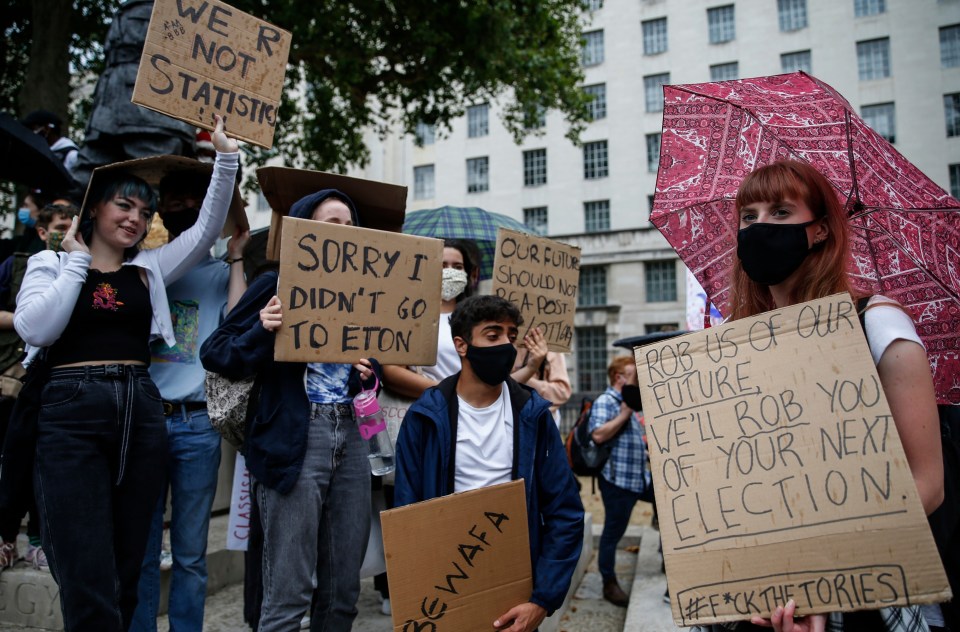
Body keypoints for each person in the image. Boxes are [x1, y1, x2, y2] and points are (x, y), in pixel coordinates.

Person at [693, 159, 943, 632]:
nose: (761, 226)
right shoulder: (736, 342)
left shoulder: (879, 323)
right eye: (749, 216)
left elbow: (926, 484)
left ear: (821, 230)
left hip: (861, 594)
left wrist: (817, 580)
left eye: (782, 213)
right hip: (755, 595)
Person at [13, 115, 237, 631]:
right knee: (84, 561)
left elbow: (206, 230)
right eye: (124, 205)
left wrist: (225, 158)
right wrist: (75, 263)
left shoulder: (151, 268)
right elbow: (38, 329)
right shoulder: (49, 264)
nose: (136, 217)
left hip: (140, 407)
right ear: (94, 207)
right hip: (71, 411)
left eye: (145, 209)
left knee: (129, 561)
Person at [200, 189, 379, 632]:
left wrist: (365, 371)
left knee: (343, 591)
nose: (342, 233)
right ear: (303, 231)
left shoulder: (366, 291)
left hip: (354, 437)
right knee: (288, 592)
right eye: (329, 224)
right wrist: (263, 328)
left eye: (350, 225)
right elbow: (217, 352)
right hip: (298, 437)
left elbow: (371, 370)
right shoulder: (274, 284)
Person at [394, 294, 585, 632]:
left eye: (511, 337)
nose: (506, 346)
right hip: (445, 586)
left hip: (515, 589)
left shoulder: (533, 415)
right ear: (462, 345)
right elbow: (407, 514)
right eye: (493, 335)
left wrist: (542, 600)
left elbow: (565, 513)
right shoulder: (425, 417)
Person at [129, 168, 250, 632]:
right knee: (139, 550)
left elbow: (237, 324)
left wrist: (237, 257)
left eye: (190, 198)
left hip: (197, 425)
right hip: (143, 420)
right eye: (171, 197)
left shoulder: (222, 273)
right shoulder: (144, 266)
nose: (179, 205)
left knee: (190, 554)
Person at [0, 202, 79, 573]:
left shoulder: (81, 265)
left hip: (52, 378)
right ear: (43, 232)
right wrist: (30, 316)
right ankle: (5, 538)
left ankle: (36, 540)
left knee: (38, 461)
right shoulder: (17, 264)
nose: (66, 231)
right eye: (60, 226)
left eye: (71, 224)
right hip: (9, 377)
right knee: (13, 462)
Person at [70, 0, 196, 187]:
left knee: (150, 186)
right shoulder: (127, 7)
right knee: (81, 184)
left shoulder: (185, 9)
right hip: (108, 112)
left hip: (154, 115)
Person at [588, 355, 651, 608]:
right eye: (632, 375)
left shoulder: (629, 402)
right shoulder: (608, 401)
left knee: (667, 503)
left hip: (639, 478)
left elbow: (631, 441)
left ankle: (667, 558)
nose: (636, 380)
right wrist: (624, 414)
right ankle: (609, 582)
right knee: (613, 533)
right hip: (618, 482)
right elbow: (598, 434)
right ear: (619, 377)